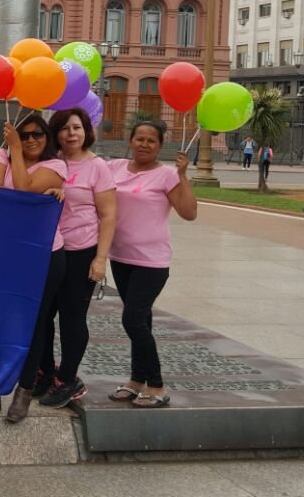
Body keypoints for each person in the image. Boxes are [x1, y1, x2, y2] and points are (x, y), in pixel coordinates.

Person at [0, 113, 67, 423]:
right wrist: (7, 149)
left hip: (44, 254)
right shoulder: (4, 154)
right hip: (4, 253)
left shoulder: (57, 167)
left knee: (33, 324)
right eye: (24, 135)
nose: (30, 140)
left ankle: (24, 390)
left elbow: (23, 187)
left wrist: (14, 148)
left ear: (48, 138)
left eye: (37, 135)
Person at [107, 120, 197, 409]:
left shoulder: (167, 175)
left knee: (132, 320)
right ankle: (136, 381)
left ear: (160, 145)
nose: (144, 144)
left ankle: (157, 385)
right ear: (130, 140)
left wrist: (183, 176)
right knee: (141, 321)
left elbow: (189, 213)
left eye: (151, 141)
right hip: (120, 257)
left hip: (152, 261)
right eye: (140, 139)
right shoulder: (115, 168)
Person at [35, 108, 116, 410]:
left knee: (71, 317)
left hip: (82, 250)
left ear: (86, 132)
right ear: (55, 133)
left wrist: (100, 258)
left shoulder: (98, 167)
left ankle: (68, 379)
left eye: (77, 127)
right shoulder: (50, 164)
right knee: (42, 316)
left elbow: (108, 215)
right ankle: (44, 371)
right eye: (65, 128)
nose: (71, 133)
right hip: (49, 249)